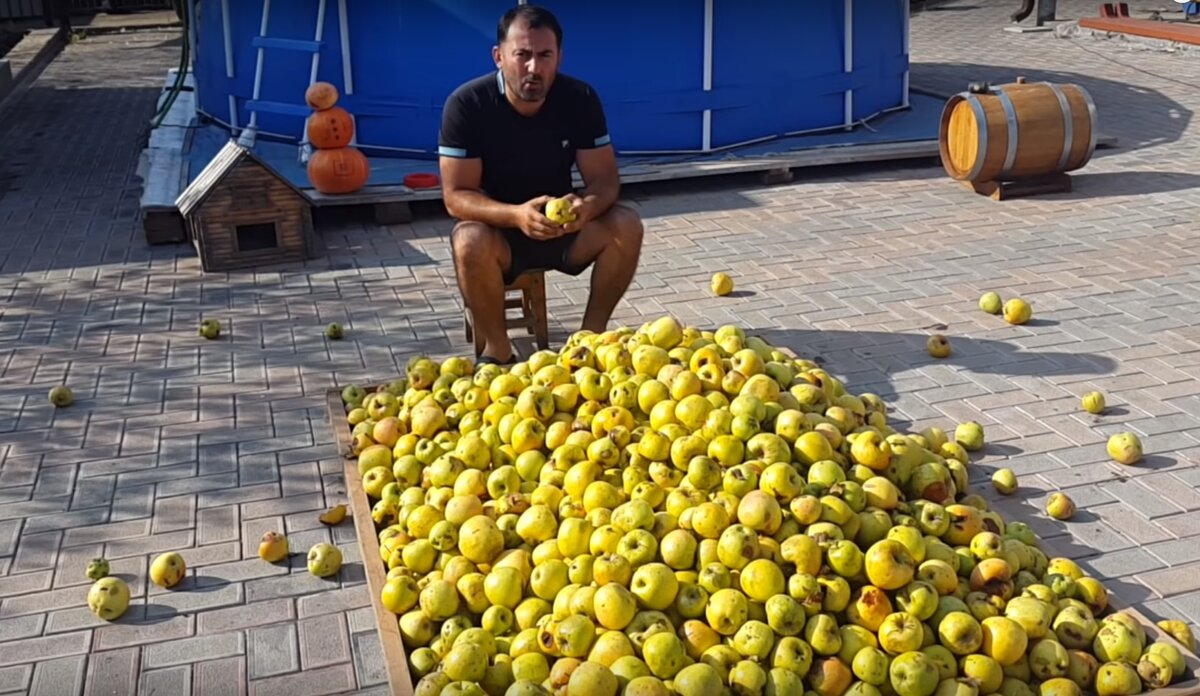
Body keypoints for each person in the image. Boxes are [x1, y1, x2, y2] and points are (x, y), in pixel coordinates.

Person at [438, 4, 644, 365]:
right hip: (500, 236)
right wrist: (517, 215)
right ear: (499, 56)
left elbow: (605, 179)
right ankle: (497, 351)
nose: (534, 68)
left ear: (559, 57)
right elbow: (456, 197)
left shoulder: (580, 99)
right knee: (467, 240)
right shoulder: (467, 105)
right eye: (523, 55)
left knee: (627, 224)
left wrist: (587, 207)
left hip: (563, 231)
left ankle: (589, 339)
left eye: (545, 55)